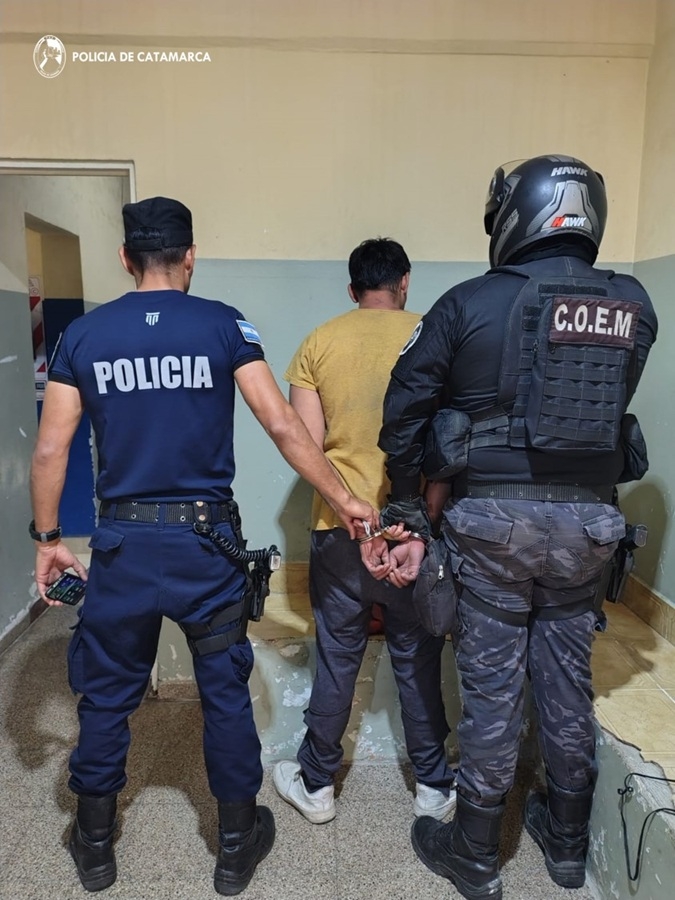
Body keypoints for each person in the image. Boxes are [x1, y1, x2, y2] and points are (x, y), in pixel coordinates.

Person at [29, 196, 378, 896]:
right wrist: (345, 500)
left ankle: (94, 848)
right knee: (223, 692)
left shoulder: (84, 336)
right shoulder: (223, 324)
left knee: (106, 695)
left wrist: (47, 541)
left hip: (123, 545)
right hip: (205, 544)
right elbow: (282, 425)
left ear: (125, 259)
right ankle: (234, 848)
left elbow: (50, 449)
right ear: (190, 257)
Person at [375, 156, 658, 900]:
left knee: (494, 689)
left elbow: (403, 413)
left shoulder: (469, 301)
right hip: (590, 527)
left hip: (494, 527)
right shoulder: (634, 305)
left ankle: (474, 854)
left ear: (516, 215)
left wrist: (407, 508)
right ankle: (565, 845)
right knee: (566, 680)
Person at [272, 238, 455, 826]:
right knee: (416, 657)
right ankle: (434, 785)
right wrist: (421, 524)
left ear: (352, 290)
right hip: (414, 530)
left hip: (340, 530)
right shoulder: (436, 336)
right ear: (405, 282)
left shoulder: (319, 342)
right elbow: (450, 446)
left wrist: (351, 509)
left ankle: (317, 784)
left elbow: (305, 448)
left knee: (337, 657)